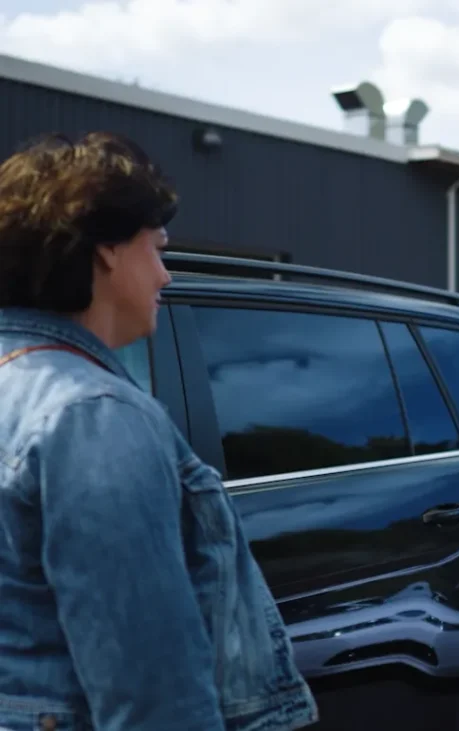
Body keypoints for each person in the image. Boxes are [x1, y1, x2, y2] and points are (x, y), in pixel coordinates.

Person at [0, 132, 318, 731]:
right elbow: (150, 695)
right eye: (158, 249)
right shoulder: (93, 414)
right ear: (107, 250)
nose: (166, 277)